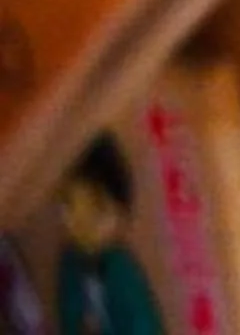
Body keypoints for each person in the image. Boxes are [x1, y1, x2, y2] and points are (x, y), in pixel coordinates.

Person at [52, 139, 161, 335]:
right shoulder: (69, 265)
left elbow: (143, 326)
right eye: (69, 206)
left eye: (97, 209)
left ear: (121, 215)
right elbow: (68, 317)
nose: (82, 224)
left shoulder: (122, 272)